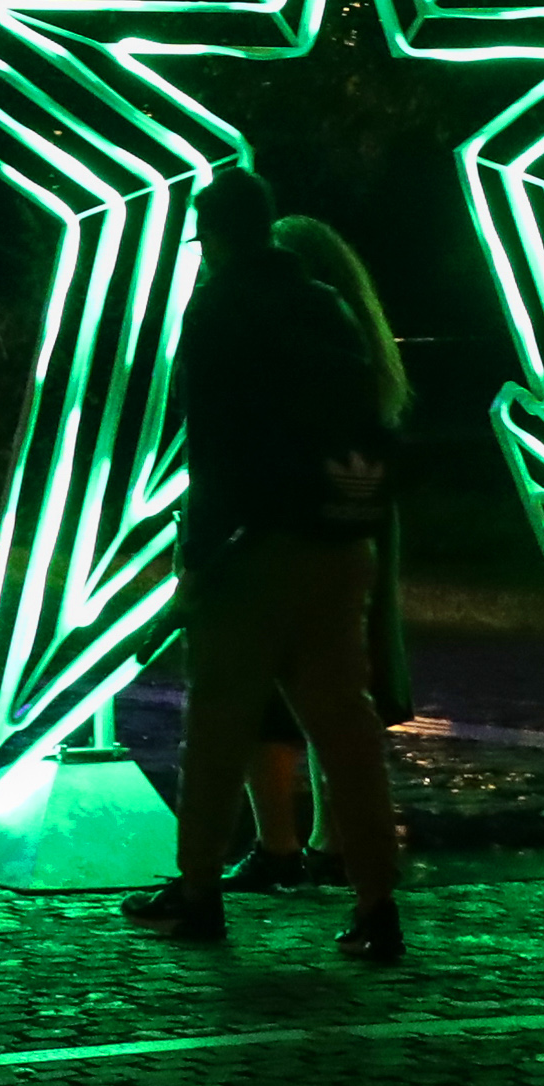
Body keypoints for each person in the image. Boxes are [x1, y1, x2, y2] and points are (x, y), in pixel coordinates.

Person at [125, 167, 406, 963]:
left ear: (212, 237)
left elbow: (210, 440)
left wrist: (197, 556)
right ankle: (376, 899)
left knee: (216, 720)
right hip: (337, 537)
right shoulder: (328, 306)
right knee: (343, 726)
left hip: (249, 546)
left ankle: (198, 891)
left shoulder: (217, 305)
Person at [229, 212, 417, 893]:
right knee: (343, 688)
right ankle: (337, 845)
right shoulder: (363, 355)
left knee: (266, 681)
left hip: (293, 525)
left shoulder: (283, 345)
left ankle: (278, 843)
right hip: (357, 521)